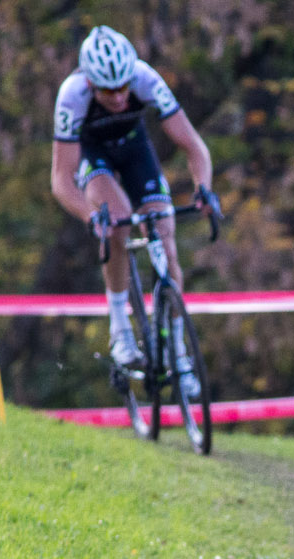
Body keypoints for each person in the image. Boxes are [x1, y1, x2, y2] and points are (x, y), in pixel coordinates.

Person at [49, 25, 220, 400]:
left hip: (135, 150)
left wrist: (204, 188)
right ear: (91, 84)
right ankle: (120, 331)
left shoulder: (145, 79)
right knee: (118, 224)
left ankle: (179, 352)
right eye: (109, 90)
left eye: (124, 86)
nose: (120, 96)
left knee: (166, 232)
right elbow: (61, 180)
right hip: (94, 157)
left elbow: (194, 146)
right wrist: (89, 215)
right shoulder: (72, 96)